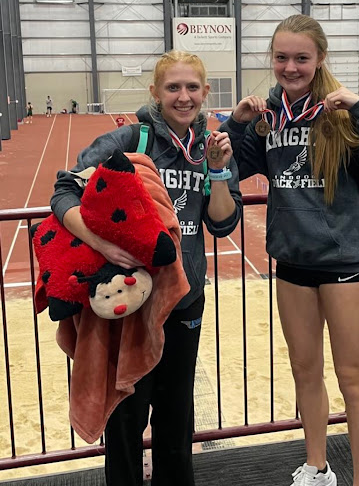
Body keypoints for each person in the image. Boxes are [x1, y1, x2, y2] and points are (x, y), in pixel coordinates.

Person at [219, 14, 359, 486]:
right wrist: (237, 125)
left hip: (344, 262)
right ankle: (317, 467)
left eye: (301, 58)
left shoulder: (341, 113)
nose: (290, 67)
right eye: (281, 58)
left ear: (319, 58)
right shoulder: (270, 117)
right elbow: (230, 167)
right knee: (305, 370)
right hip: (292, 262)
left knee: (352, 379)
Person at [50, 50, 242, 486]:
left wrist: (216, 172)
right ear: (155, 92)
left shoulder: (210, 147)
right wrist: (101, 243)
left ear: (206, 93)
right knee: (126, 422)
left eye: (192, 87)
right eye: (173, 87)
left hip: (184, 304)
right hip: (130, 309)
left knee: (177, 424)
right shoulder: (130, 141)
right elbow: (63, 191)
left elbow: (222, 222)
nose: (183, 96)